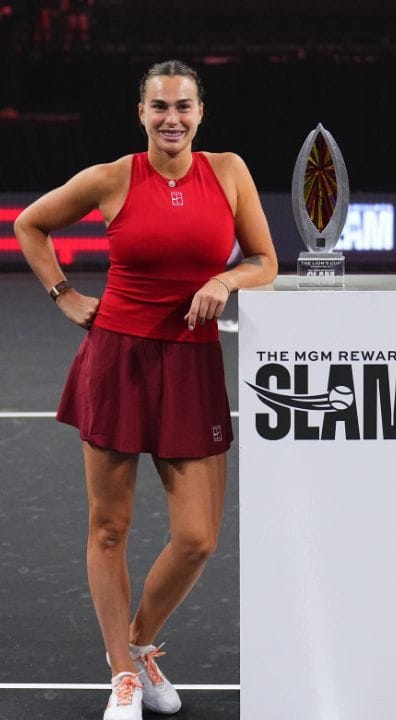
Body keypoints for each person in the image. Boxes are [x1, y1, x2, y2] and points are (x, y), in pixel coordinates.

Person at [13, 60, 277, 720]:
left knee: (197, 537)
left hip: (191, 368)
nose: (172, 118)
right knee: (110, 528)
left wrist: (225, 282)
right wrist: (64, 293)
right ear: (141, 114)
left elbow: (265, 261)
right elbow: (29, 225)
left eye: (183, 106)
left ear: (200, 112)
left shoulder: (229, 172)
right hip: (117, 363)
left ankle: (135, 645)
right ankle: (124, 677)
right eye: (159, 107)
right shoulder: (111, 179)